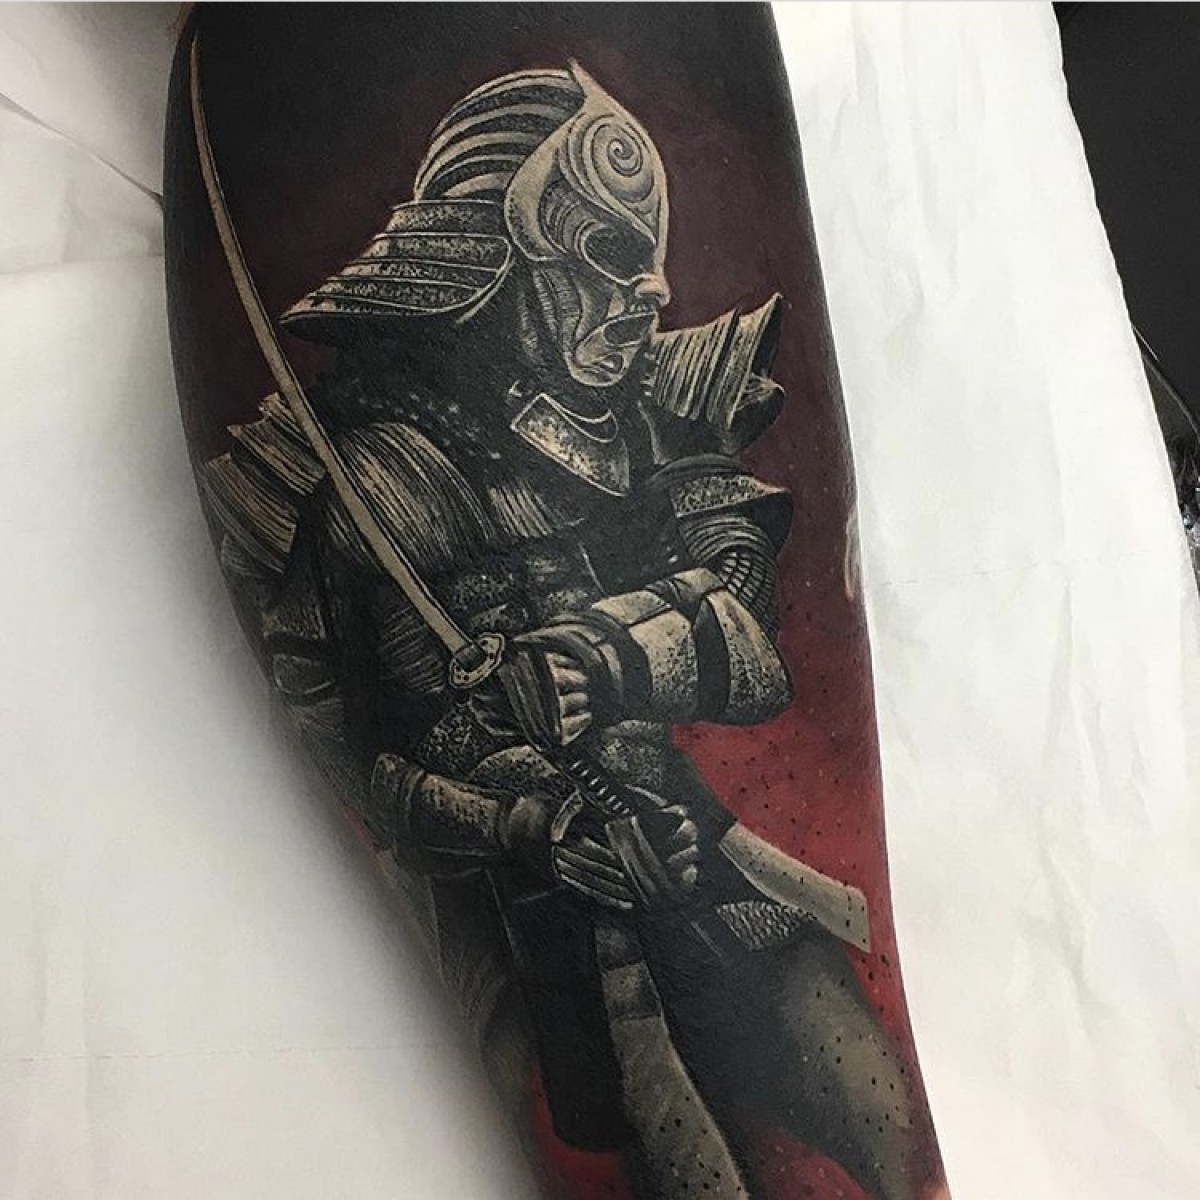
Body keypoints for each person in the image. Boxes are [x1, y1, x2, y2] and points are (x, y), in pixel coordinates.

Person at [199, 62, 933, 1200]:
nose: (648, 290)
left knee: (878, 1115)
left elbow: (752, 633)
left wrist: (612, 654)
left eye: (648, 257)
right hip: (551, 912)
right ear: (500, 257)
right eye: (603, 251)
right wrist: (526, 822)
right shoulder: (390, 485)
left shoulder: (649, 418)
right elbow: (374, 765)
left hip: (686, 843)